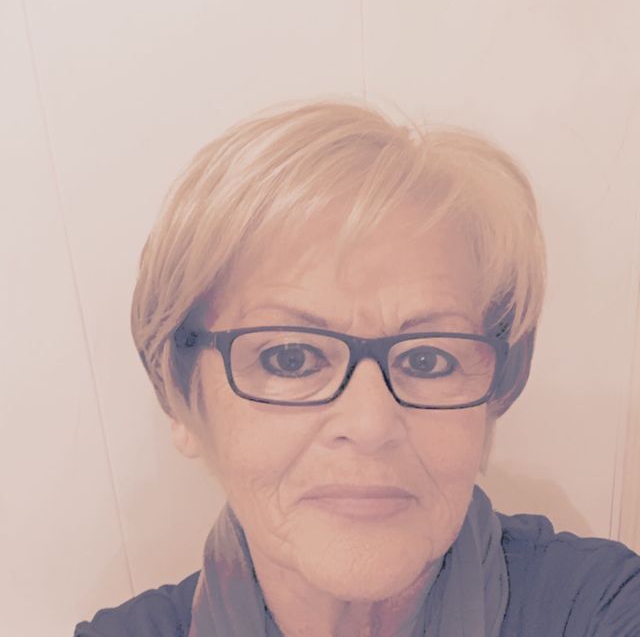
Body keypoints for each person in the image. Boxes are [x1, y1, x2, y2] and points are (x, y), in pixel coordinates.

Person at [75, 100, 640, 636]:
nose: (370, 424)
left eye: (428, 359)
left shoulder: (601, 606)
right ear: (182, 397)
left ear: (494, 396)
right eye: (290, 358)